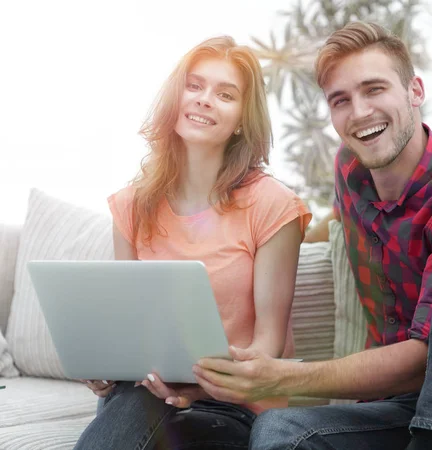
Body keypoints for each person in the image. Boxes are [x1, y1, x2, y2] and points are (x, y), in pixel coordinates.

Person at [192, 22, 432, 450]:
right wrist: (258, 244)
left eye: (374, 89)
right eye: (341, 100)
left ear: (415, 91)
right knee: (280, 432)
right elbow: (330, 223)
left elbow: (426, 361)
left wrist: (283, 375)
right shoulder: (352, 171)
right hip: (398, 411)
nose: (359, 112)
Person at [74, 36, 311, 450]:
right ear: (175, 97)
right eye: (195, 86)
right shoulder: (131, 205)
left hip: (232, 404)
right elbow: (127, 330)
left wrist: (198, 390)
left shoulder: (273, 206)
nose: (204, 100)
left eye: (225, 94)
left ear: (241, 118)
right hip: (142, 394)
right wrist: (107, 368)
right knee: (134, 401)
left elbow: (267, 348)